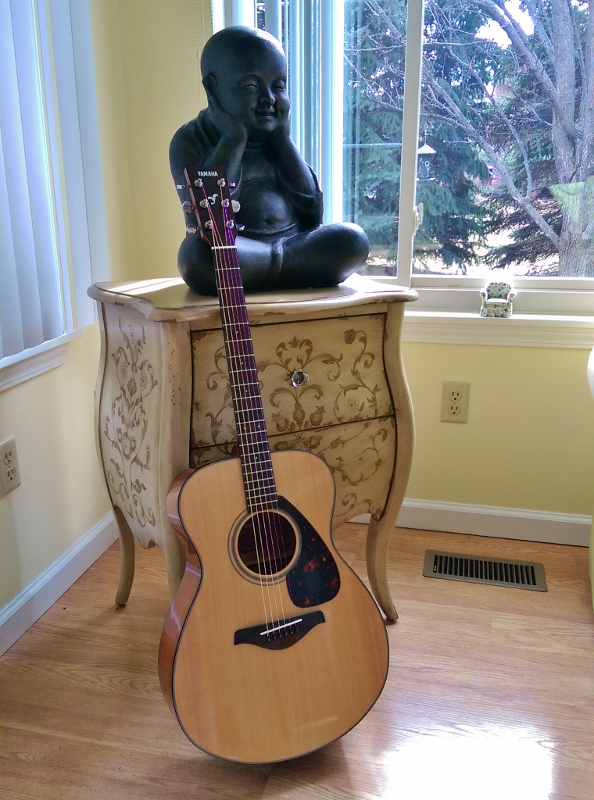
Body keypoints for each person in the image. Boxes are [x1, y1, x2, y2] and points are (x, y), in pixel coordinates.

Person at [170, 25, 369, 295]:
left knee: (353, 239)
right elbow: (210, 219)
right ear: (212, 89)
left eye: (278, 86)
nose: (269, 98)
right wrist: (233, 139)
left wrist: (284, 143)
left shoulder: (276, 136)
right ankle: (289, 272)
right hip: (239, 253)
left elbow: (311, 213)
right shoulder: (190, 139)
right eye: (251, 86)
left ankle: (273, 271)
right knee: (198, 255)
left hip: (292, 245)